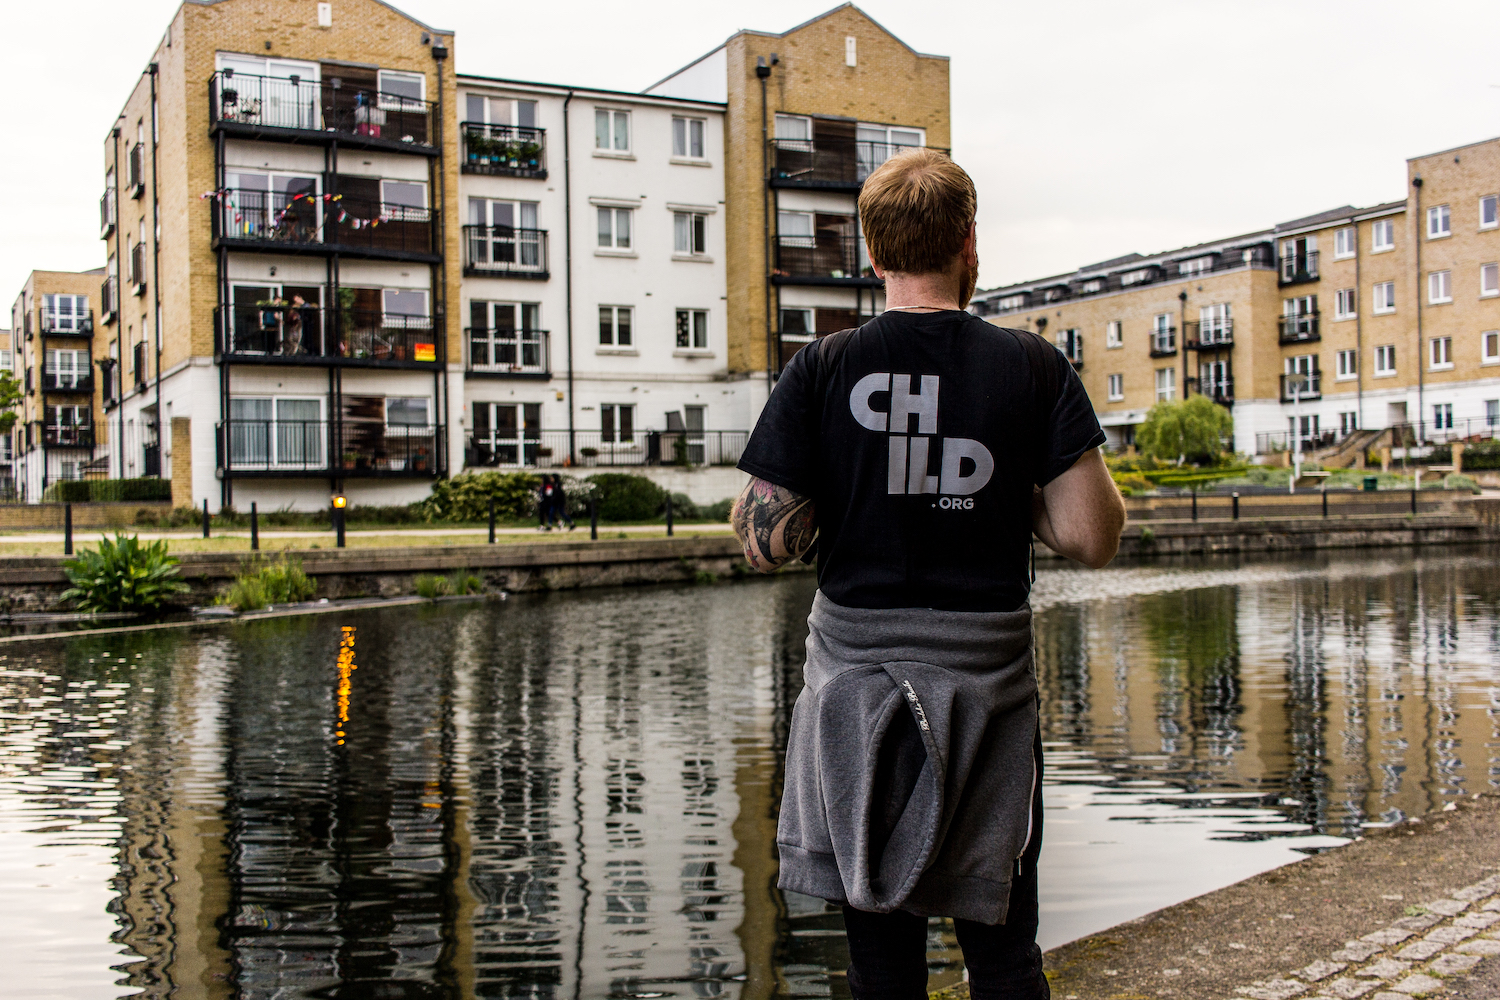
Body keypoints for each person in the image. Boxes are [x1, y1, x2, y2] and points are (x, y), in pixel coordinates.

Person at [731, 147, 1125, 1000]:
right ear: (969, 245)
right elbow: (1092, 538)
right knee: (1005, 955)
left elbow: (763, 544)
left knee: (881, 964)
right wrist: (1001, 474)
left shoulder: (823, 367)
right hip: (989, 700)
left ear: (872, 255)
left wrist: (854, 473)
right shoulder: (1032, 366)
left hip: (855, 700)